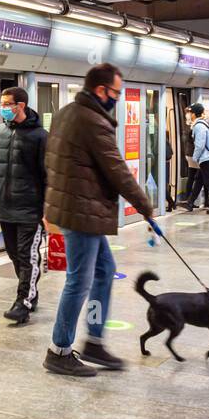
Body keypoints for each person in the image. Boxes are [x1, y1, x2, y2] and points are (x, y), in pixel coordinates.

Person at [43, 63, 153, 377]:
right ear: (101, 90)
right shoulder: (92, 120)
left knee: (104, 271)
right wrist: (145, 205)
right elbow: (116, 169)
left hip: (76, 207)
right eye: (116, 93)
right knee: (79, 280)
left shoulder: (66, 112)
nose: (116, 99)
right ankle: (59, 350)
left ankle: (93, 340)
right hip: (81, 211)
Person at [0, 86, 48, 325]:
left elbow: (47, 174)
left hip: (30, 209)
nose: (3, 109)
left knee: (27, 256)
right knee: (14, 255)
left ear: (20, 105)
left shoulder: (40, 136)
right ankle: (31, 293)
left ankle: (23, 303)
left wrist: (46, 209)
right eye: (2, 105)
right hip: (5, 207)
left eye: (8, 104)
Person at [179, 102, 209, 215]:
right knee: (199, 179)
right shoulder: (202, 124)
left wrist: (195, 158)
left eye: (190, 113)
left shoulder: (199, 126)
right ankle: (190, 203)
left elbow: (200, 144)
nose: (188, 115)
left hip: (205, 158)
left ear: (194, 114)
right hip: (208, 157)